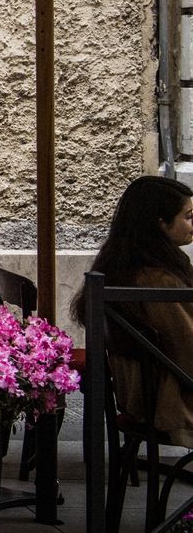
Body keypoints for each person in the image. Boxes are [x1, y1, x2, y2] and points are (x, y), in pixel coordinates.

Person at [71, 175, 193, 446]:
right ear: (161, 224)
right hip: (171, 403)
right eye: (188, 216)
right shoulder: (158, 281)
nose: (192, 225)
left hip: (140, 397)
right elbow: (187, 350)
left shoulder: (121, 269)